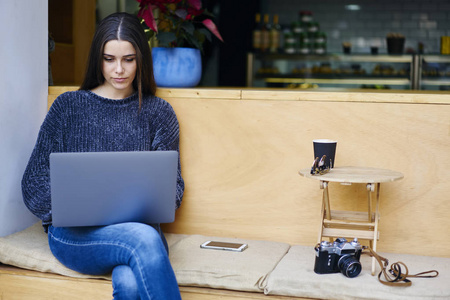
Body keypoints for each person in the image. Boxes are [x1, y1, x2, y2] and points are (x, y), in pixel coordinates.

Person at [22, 12, 184, 300]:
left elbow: (174, 189)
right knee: (144, 240)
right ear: (97, 58)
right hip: (76, 236)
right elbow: (33, 181)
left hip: (139, 230)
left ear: (141, 60)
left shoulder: (159, 113)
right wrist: (71, 210)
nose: (118, 69)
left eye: (128, 59)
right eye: (109, 59)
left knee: (131, 283)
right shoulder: (68, 107)